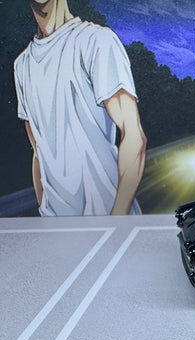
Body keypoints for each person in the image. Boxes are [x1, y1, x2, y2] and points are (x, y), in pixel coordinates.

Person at [14, 0, 146, 216]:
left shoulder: (96, 40)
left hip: (109, 217)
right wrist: (46, 216)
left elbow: (133, 136)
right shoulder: (22, 64)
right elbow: (38, 152)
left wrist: (117, 219)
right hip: (58, 226)